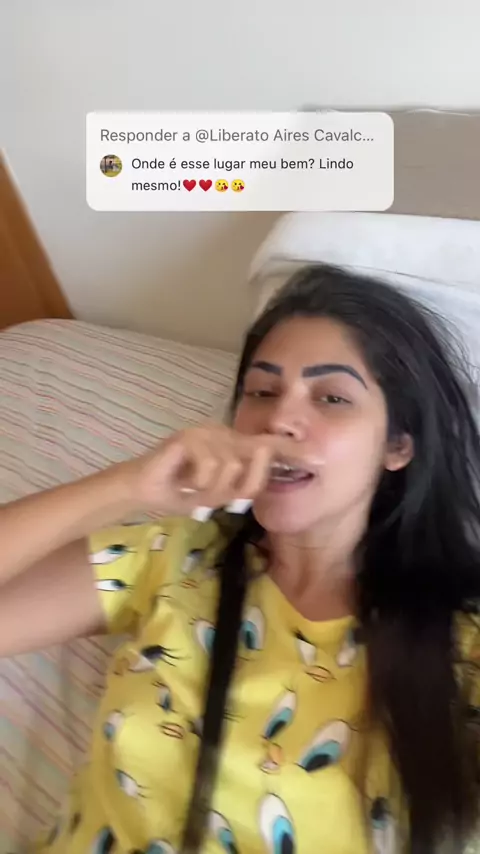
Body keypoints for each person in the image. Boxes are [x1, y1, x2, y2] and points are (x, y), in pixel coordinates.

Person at [2, 263, 480, 854]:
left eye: (332, 398)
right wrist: (126, 485)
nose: (278, 420)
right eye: (262, 392)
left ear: (398, 445)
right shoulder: (172, 559)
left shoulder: (461, 641)